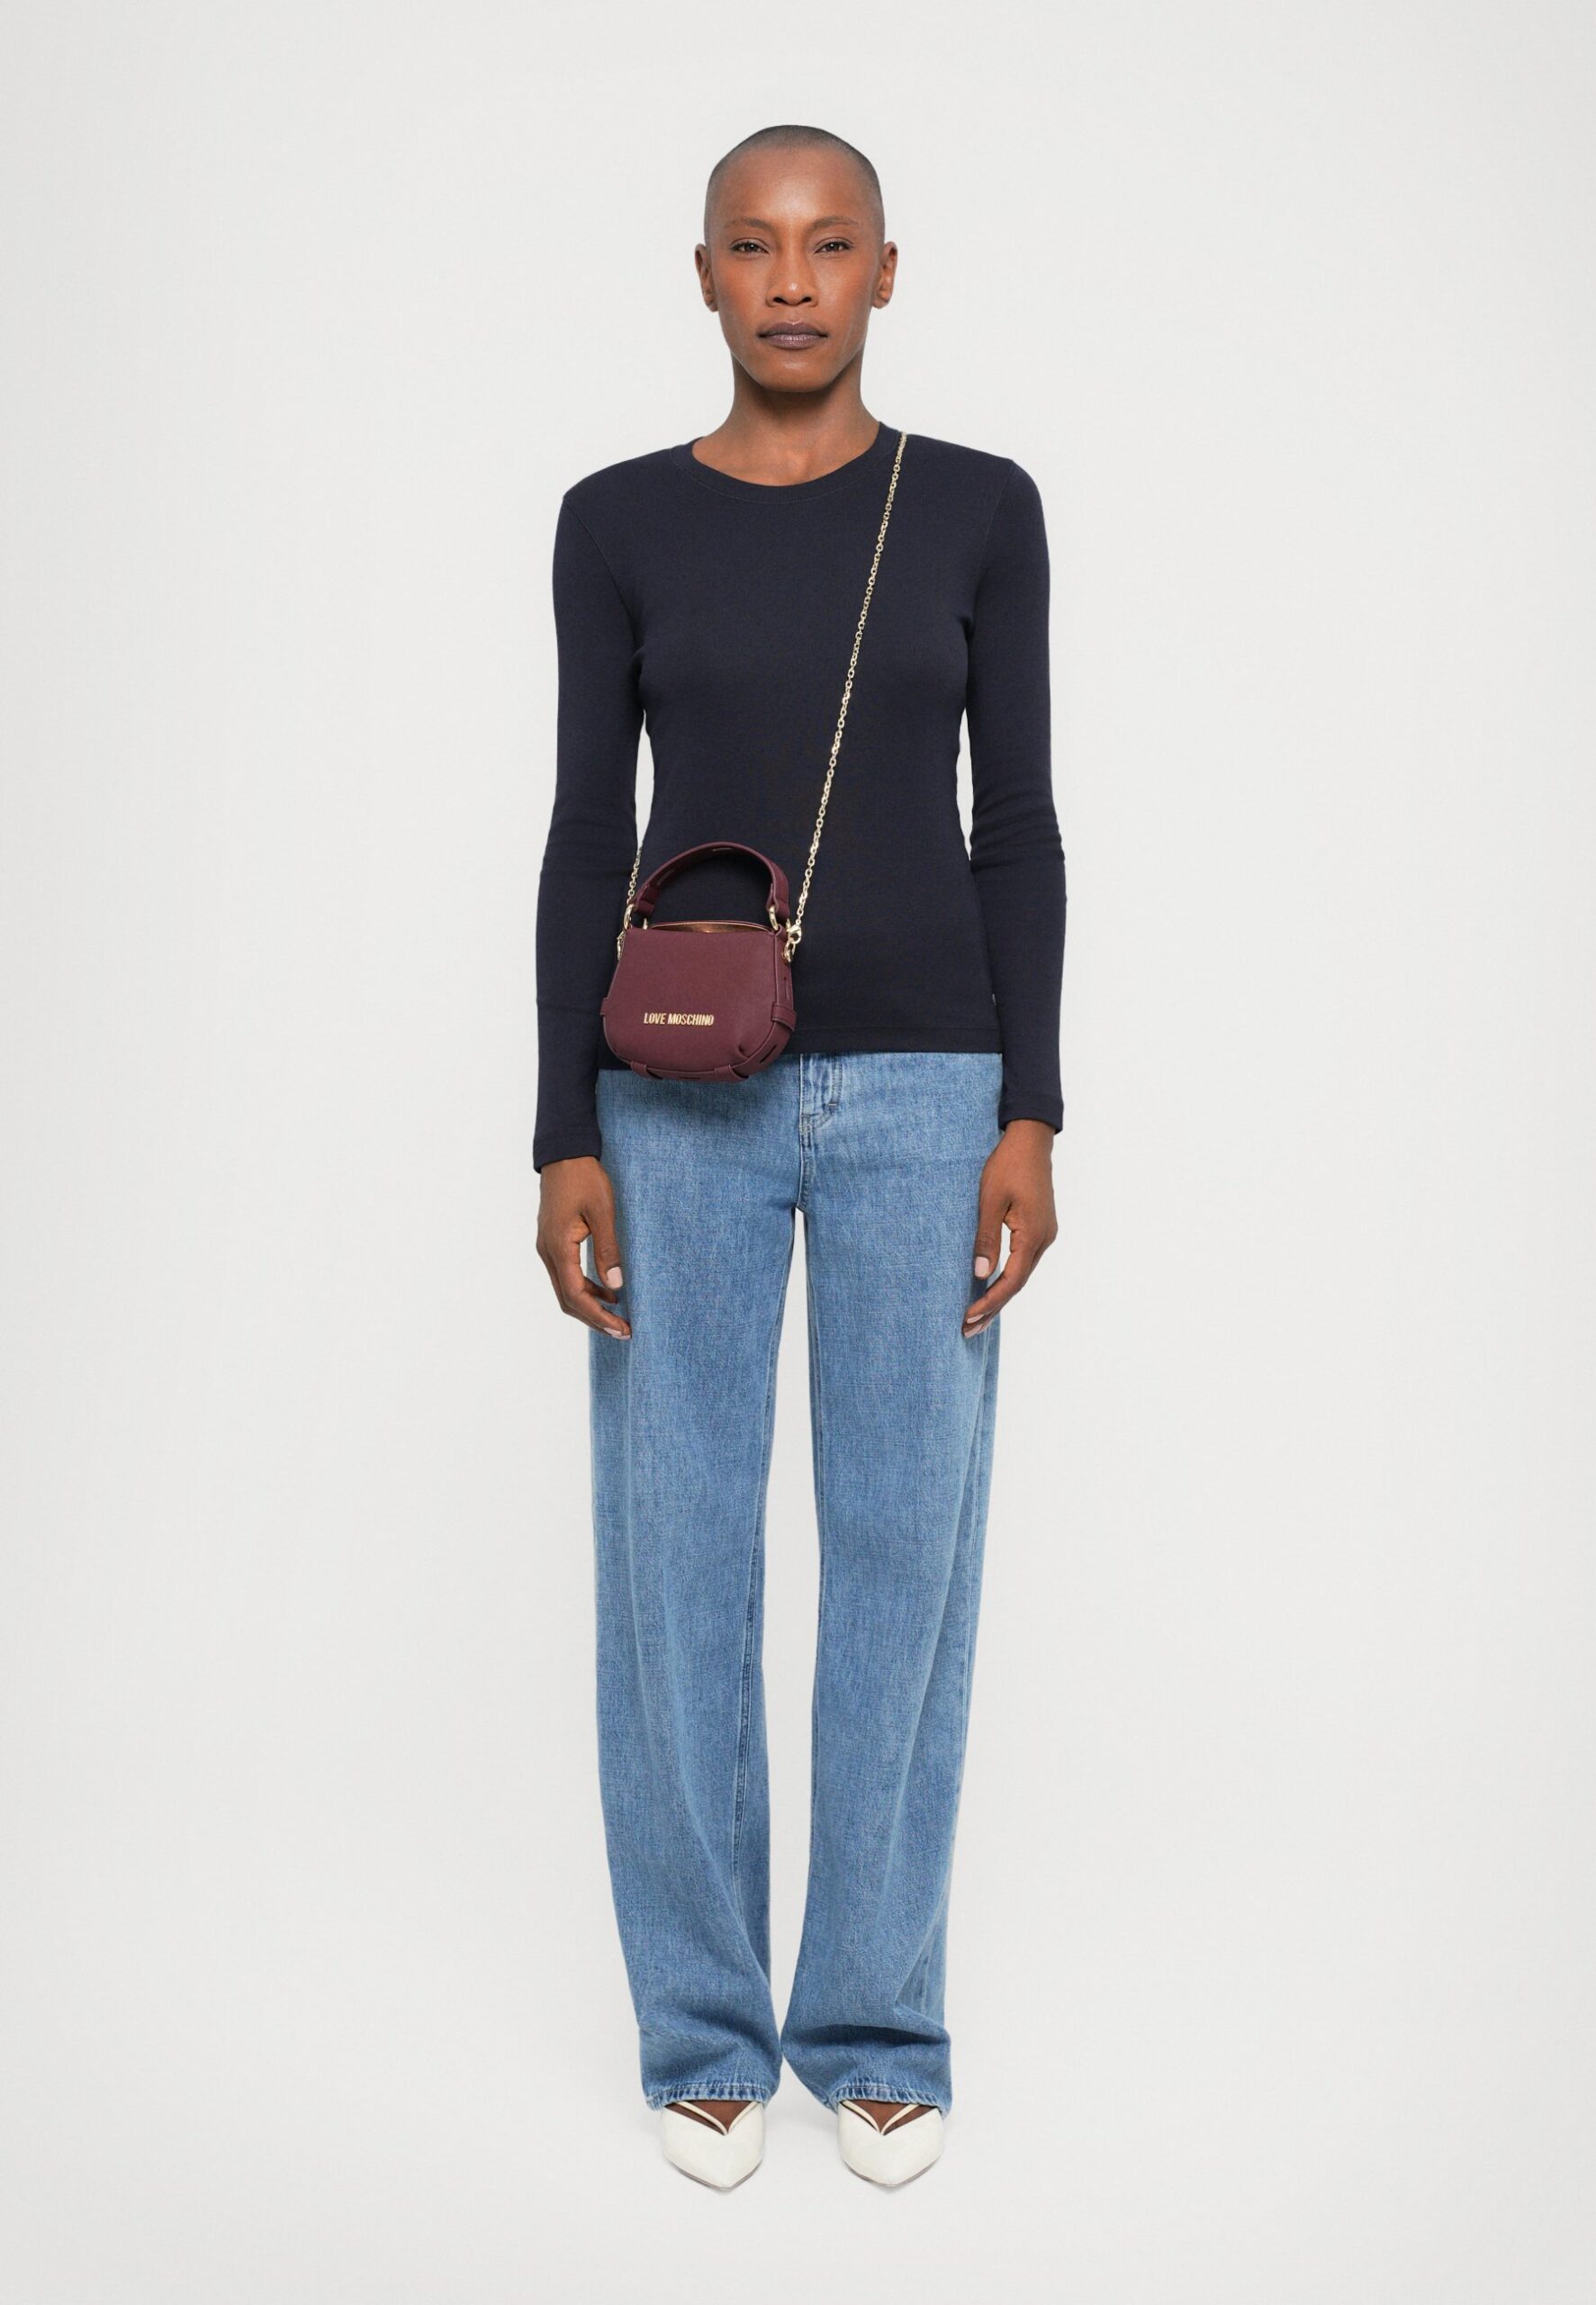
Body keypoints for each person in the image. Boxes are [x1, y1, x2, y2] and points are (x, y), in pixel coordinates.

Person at [533, 122, 1065, 2190]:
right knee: (672, 1559)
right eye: (751, 246)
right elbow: (585, 829)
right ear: (701, 274)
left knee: (905, 1555)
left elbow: (1016, 824)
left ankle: (871, 2015)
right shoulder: (613, 522)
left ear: (883, 273)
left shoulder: (980, 509)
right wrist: (557, 1130)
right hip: (671, 1097)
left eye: (827, 244)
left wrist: (1031, 1105)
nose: (788, 279)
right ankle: (698, 2023)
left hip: (928, 1086)